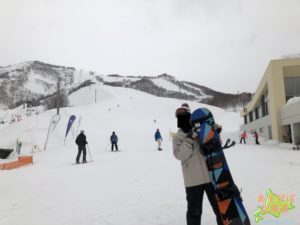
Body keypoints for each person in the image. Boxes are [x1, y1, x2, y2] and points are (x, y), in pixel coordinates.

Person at [172, 103, 223, 225]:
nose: (181, 118)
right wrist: (190, 139)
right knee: (194, 212)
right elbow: (179, 155)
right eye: (178, 115)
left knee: (220, 209)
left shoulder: (201, 129)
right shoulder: (177, 137)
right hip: (193, 180)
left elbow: (216, 146)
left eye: (184, 114)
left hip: (210, 176)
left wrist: (214, 132)